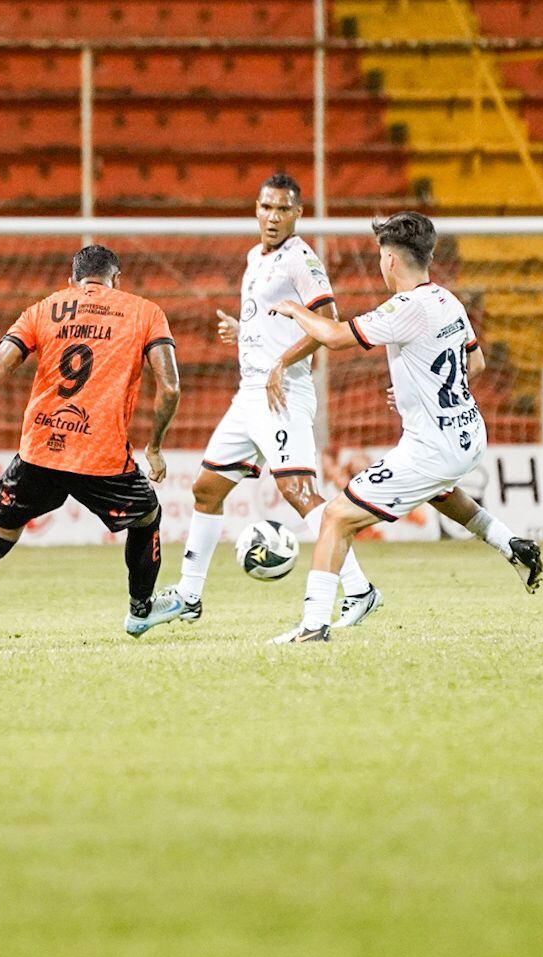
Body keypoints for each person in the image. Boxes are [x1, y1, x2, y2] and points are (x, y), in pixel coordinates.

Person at [263, 211, 539, 644]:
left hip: (432, 448)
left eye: (379, 258)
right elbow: (476, 363)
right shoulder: (449, 300)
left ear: (390, 261)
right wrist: (419, 389)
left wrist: (295, 308)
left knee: (336, 517)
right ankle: (513, 546)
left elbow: (334, 338)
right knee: (440, 490)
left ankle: (313, 626)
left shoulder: (404, 308)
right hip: (468, 433)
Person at [0, 245, 183, 651]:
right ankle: (139, 610)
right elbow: (169, 387)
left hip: (40, 451)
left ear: (72, 280)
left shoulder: (43, 309)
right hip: (101, 456)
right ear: (116, 280)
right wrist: (155, 446)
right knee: (147, 515)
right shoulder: (145, 311)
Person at [160, 173, 373, 626]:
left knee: (298, 491)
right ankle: (189, 596)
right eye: (266, 207)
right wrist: (243, 333)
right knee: (206, 489)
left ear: (298, 214)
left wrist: (281, 362)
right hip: (248, 395)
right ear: (255, 209)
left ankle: (359, 589)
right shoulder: (254, 258)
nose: (272, 217)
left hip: (284, 393)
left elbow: (329, 324)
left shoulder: (302, 260)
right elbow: (270, 321)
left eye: (282, 209)